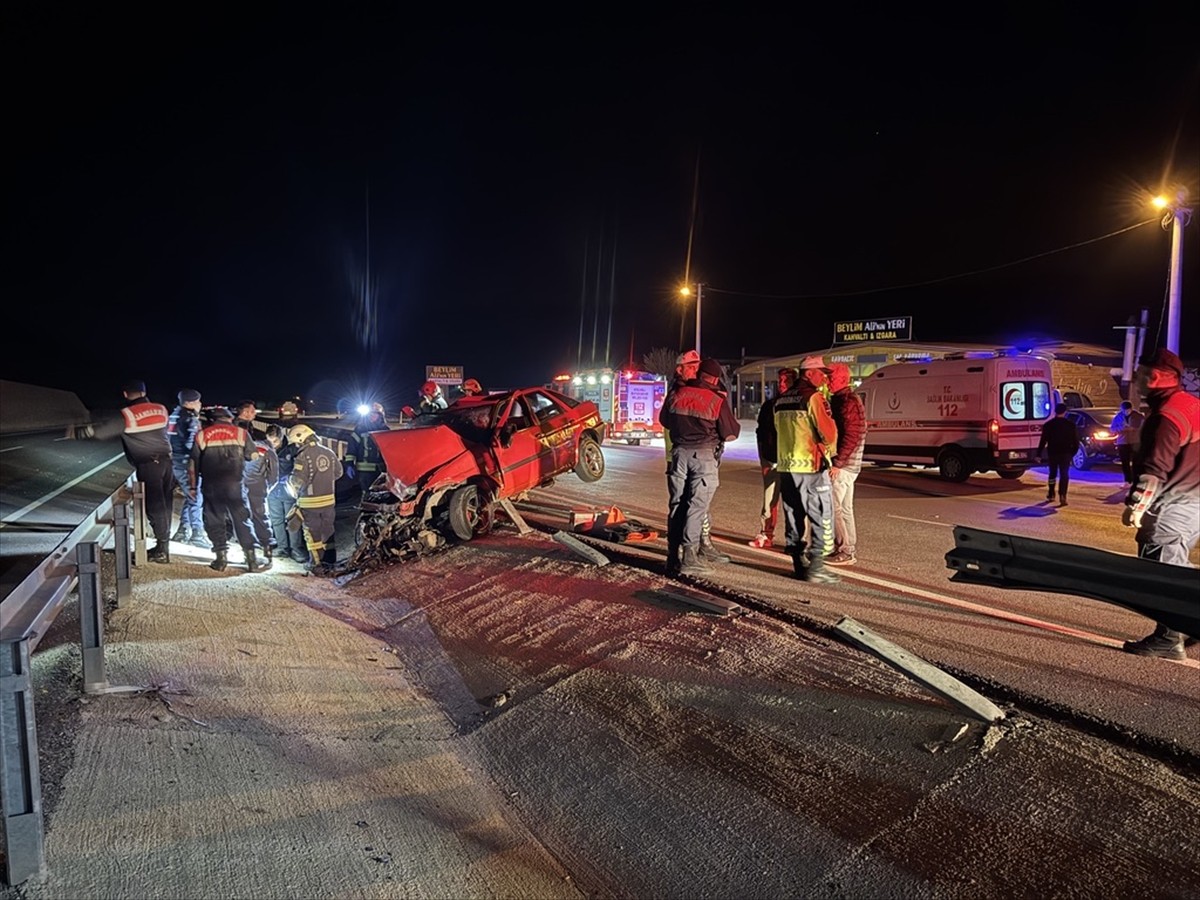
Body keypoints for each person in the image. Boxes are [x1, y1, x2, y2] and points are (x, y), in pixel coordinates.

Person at [1120, 347, 1199, 660]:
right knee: (1176, 566)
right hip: (1193, 505)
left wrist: (1136, 506)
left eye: (1140, 376)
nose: (1137, 382)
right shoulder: (1191, 404)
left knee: (1161, 571)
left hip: (1172, 507)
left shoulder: (1165, 417)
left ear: (1155, 378)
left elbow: (1155, 470)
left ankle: (1168, 638)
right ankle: (1188, 622)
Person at [658, 356, 741, 576]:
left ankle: (672, 557)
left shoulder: (676, 393)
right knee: (696, 507)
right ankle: (690, 556)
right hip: (703, 456)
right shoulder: (715, 398)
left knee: (677, 505)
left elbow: (664, 420)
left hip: (678, 455)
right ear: (714, 379)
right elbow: (731, 432)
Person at [82, 380, 176, 563]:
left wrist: (81, 432)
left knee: (154, 506)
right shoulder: (161, 409)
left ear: (125, 394)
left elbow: (101, 433)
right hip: (167, 461)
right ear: (144, 391)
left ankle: (162, 550)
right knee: (165, 503)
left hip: (149, 465)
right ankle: (164, 546)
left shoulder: (127, 414)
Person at [774, 355, 839, 584]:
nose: (824, 377)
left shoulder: (781, 400)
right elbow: (828, 433)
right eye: (821, 373)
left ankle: (798, 564)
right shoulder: (813, 397)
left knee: (793, 516)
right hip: (811, 467)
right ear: (809, 373)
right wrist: (832, 456)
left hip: (786, 467)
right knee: (821, 515)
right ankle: (817, 567)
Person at [189, 406, 269, 573]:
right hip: (235, 485)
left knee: (214, 519)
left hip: (211, 485)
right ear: (230, 419)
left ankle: (221, 559)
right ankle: (251, 559)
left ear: (213, 419)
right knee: (242, 519)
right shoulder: (241, 433)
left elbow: (193, 464)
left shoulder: (202, 435)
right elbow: (252, 456)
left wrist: (192, 486)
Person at [287, 423, 344, 575]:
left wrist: (290, 482)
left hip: (309, 503)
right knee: (328, 531)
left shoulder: (302, 456)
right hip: (329, 502)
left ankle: (316, 564)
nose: (296, 445)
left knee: (312, 534)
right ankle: (330, 561)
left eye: (297, 443)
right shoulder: (329, 452)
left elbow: (298, 481)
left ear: (301, 439)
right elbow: (338, 473)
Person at [749, 367, 797, 549]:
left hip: (792, 460)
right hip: (771, 457)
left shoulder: (797, 403)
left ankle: (795, 540)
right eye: (780, 381)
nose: (782, 385)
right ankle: (765, 534)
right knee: (769, 500)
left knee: (793, 503)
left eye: (787, 381)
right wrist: (763, 456)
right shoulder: (769, 405)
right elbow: (761, 431)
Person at [826, 362, 867, 566]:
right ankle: (847, 548)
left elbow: (852, 434)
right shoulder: (846, 400)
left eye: (831, 377)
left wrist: (838, 463)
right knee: (845, 508)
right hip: (851, 465)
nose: (828, 381)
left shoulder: (846, 402)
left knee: (835, 508)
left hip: (844, 465)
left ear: (843, 379)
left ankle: (844, 550)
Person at [167, 388, 210, 548]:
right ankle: (197, 534)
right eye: (198, 401)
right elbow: (192, 443)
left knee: (189, 496)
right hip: (188, 462)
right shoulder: (190, 419)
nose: (200, 404)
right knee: (195, 497)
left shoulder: (174, 415)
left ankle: (182, 531)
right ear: (191, 402)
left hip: (176, 461)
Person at [265, 424, 307, 563]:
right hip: (272, 491)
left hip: (288, 490)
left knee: (292, 520)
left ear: (281, 438)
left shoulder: (292, 450)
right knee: (276, 520)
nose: (273, 444)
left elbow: (300, 468)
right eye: (270, 441)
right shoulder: (266, 450)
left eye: (275, 441)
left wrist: (294, 483)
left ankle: (296, 548)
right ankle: (282, 547)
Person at [242, 425, 279, 558]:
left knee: (243, 517)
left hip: (241, 486)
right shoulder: (269, 450)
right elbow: (274, 474)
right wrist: (268, 487)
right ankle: (267, 547)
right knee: (262, 516)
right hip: (258, 487)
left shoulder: (245, 447)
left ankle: (248, 552)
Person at [1037, 403, 1080, 506]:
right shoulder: (1070, 425)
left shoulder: (1048, 425)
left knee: (1052, 474)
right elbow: (1076, 442)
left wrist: (1038, 454)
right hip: (1066, 453)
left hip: (1053, 452)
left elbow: (1043, 441)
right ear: (1065, 412)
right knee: (1064, 475)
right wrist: (1072, 453)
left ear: (1055, 411)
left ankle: (1051, 493)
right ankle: (1063, 495)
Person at [346, 402, 387, 492]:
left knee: (380, 494)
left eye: (374, 414)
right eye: (370, 414)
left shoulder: (385, 430)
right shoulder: (360, 429)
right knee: (366, 494)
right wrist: (349, 464)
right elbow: (352, 447)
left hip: (381, 469)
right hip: (364, 471)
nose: (371, 416)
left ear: (380, 416)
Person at [1110, 400, 1145, 485]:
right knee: (1125, 463)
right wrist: (1122, 428)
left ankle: (1136, 480)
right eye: (1124, 410)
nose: (1126, 412)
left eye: (1128, 410)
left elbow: (1138, 428)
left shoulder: (1138, 416)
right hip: (1122, 442)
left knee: (1136, 463)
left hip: (1135, 442)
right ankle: (1127, 480)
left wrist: (1127, 428)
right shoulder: (1118, 417)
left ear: (1131, 409)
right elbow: (1112, 429)